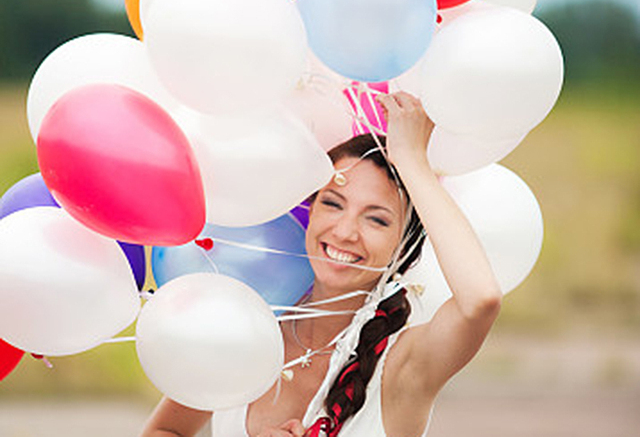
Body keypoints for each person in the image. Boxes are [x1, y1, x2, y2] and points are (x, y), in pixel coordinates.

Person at [141, 92, 502, 437]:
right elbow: (165, 430)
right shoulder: (247, 323)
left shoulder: (403, 366)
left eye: (376, 220)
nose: (344, 231)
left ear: (403, 244)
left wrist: (412, 161)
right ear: (310, 210)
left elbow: (480, 300)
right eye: (332, 203)